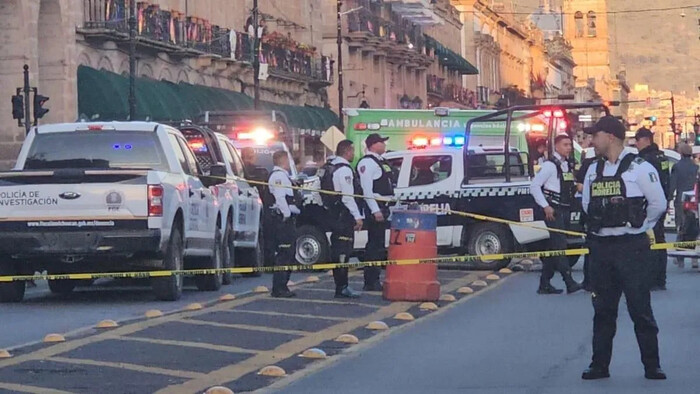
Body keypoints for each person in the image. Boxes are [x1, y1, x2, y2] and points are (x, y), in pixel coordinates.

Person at [581, 116, 667, 380]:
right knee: (603, 310)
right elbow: (586, 205)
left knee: (640, 309)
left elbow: (658, 203)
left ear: (610, 137)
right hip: (602, 246)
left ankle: (652, 365)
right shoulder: (593, 170)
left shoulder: (639, 168)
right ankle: (599, 365)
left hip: (632, 247)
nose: (591, 141)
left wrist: (641, 227)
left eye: (595, 136)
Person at [530, 134, 582, 295]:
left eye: (569, 145)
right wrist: (546, 206)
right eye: (565, 145)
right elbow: (534, 186)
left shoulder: (566, 165)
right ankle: (569, 282)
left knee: (554, 247)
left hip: (564, 208)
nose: (568, 148)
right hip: (553, 210)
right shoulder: (550, 166)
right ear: (557, 146)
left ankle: (544, 284)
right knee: (560, 246)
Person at [323, 140, 364, 298]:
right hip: (344, 215)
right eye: (352, 151)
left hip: (334, 214)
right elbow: (348, 197)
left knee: (338, 250)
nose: (353, 154)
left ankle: (340, 286)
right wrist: (357, 216)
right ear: (346, 151)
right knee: (343, 252)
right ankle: (342, 287)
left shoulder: (329, 167)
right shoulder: (345, 170)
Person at [635, 127, 671, 290]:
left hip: (650, 204)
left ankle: (651, 278)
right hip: (661, 201)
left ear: (646, 140)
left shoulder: (646, 159)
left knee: (649, 241)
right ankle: (660, 278)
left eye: (637, 140)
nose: (636, 143)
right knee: (660, 240)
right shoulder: (661, 156)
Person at [357, 133, 394, 291]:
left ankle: (375, 278)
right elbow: (367, 190)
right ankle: (370, 280)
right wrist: (375, 210)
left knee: (379, 245)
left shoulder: (380, 161)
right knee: (374, 245)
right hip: (376, 207)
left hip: (384, 206)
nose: (384, 145)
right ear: (373, 145)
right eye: (381, 142)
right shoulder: (367, 163)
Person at [267, 150, 300, 298]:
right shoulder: (278, 176)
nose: (289, 163)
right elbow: (280, 197)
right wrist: (286, 214)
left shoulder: (283, 176)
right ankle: (279, 288)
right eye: (288, 160)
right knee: (285, 254)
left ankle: (283, 286)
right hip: (283, 220)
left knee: (289, 253)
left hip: (285, 219)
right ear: (282, 160)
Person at [670, 143, 699, 268]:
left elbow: (673, 184)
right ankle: (694, 259)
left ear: (680, 153)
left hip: (681, 200)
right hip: (694, 200)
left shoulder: (677, 167)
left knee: (681, 227)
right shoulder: (695, 167)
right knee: (693, 227)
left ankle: (680, 256)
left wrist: (668, 198)